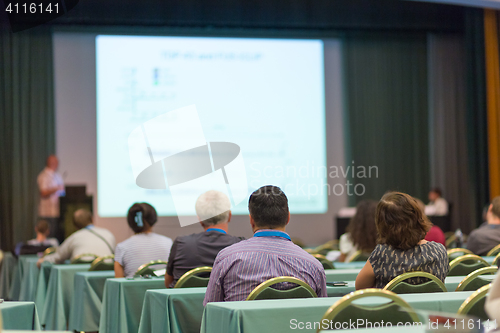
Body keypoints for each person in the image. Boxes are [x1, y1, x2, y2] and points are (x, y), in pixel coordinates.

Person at [203, 185, 327, 305]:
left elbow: (210, 311)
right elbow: (320, 317)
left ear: (251, 220)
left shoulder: (227, 259)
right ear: (288, 218)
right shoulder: (314, 266)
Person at [355, 192, 448, 290]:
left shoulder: (382, 255)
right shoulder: (439, 251)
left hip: (393, 305)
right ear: (418, 218)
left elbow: (360, 287)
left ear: (382, 225)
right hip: (431, 305)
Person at [165, 190, 244, 288]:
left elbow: (168, 283)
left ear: (200, 220)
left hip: (185, 303)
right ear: (229, 216)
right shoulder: (241, 246)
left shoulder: (181, 243)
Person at [37, 209, 115, 267]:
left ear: (75, 225)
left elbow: (58, 256)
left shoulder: (74, 238)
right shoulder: (108, 234)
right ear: (92, 219)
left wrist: (44, 260)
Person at [114, 203, 173, 278]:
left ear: (130, 222)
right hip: (161, 289)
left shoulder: (122, 247)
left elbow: (118, 282)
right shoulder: (168, 243)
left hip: (134, 289)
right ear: (154, 220)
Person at [37, 155, 65, 237]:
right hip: (48, 212)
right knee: (50, 234)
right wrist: (55, 189)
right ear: (50, 163)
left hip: (58, 211)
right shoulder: (44, 176)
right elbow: (43, 192)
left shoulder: (57, 175)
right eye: (56, 162)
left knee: (57, 234)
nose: (57, 164)